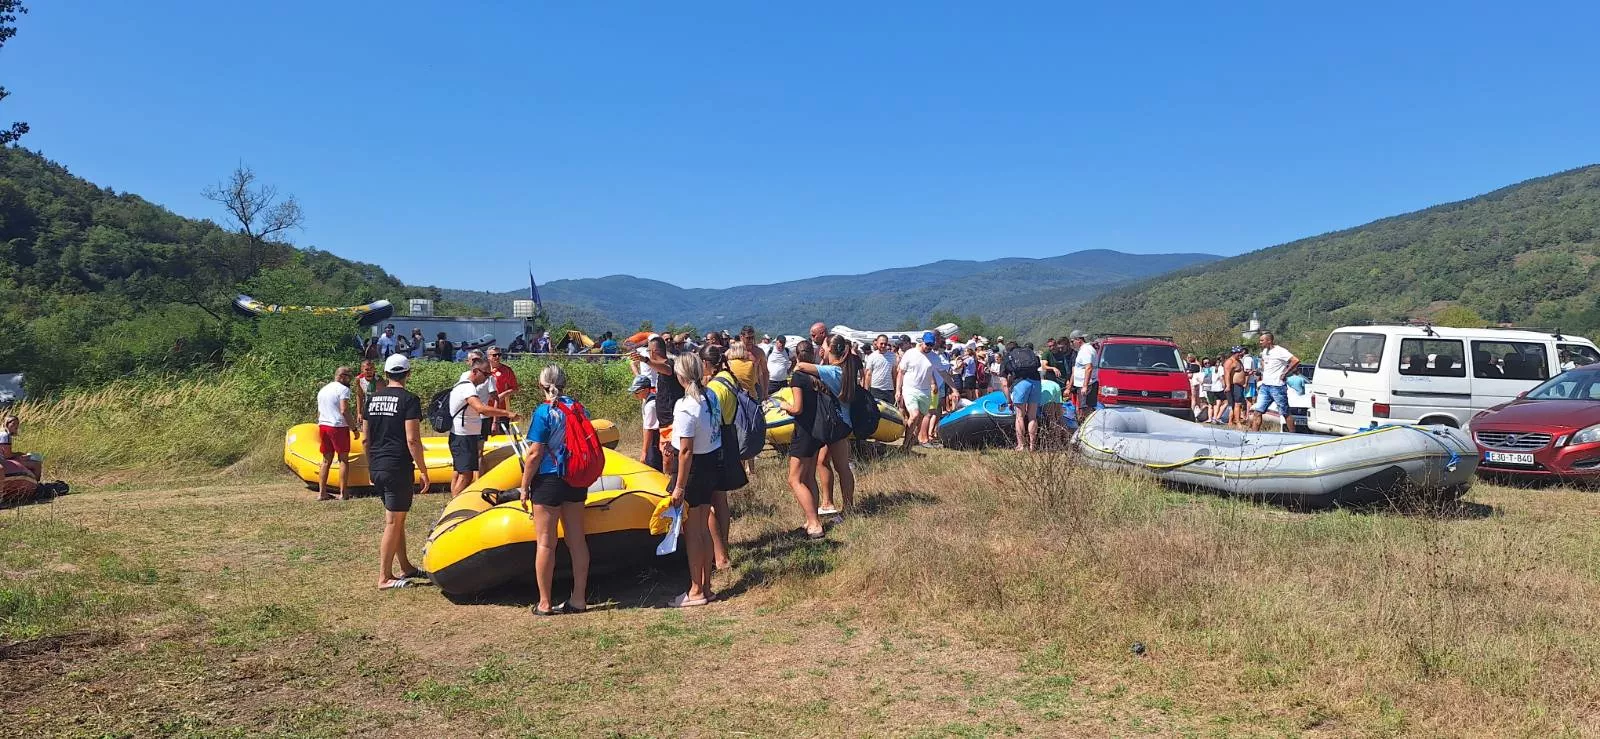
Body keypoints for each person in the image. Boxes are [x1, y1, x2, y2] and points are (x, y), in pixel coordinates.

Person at [517, 365, 591, 616]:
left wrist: (524, 486)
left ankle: (545, 603)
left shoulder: (543, 412)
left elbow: (535, 453)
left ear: (541, 385)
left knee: (546, 543)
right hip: (575, 477)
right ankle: (579, 599)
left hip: (548, 480)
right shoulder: (579, 409)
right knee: (577, 540)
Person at [363, 354, 430, 589]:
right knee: (393, 521)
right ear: (408, 374)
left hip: (378, 465)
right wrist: (423, 470)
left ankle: (405, 567)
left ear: (386, 373)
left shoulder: (371, 399)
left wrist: (370, 465)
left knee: (397, 518)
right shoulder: (409, 400)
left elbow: (365, 438)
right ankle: (384, 577)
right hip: (397, 466)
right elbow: (412, 439)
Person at [668, 353, 722, 607]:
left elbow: (686, 451)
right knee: (703, 529)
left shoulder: (685, 405)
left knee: (692, 533)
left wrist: (679, 486)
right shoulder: (710, 396)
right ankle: (706, 585)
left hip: (693, 470)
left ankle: (696, 589)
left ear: (681, 375)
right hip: (711, 463)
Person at [795, 335, 860, 521]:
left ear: (830, 349)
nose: (820, 349)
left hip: (836, 424)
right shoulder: (842, 369)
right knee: (824, 461)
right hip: (840, 423)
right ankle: (829, 502)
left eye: (823, 346)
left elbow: (801, 366)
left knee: (841, 466)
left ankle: (847, 507)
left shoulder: (832, 371)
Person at [701, 345, 746, 570]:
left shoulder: (714, 388)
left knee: (707, 502)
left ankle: (719, 555)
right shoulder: (729, 378)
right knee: (721, 500)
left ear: (706, 364)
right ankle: (724, 547)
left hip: (715, 442)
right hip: (729, 439)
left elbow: (710, 419)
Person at [447, 359, 517, 495]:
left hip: (465, 436)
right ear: (475, 371)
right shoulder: (467, 387)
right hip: (463, 437)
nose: (487, 378)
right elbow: (481, 408)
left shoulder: (465, 385)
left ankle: (455, 501)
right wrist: (507, 413)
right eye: (485, 374)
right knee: (465, 476)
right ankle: (454, 504)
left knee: (462, 473)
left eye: (489, 375)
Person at [775, 358, 827, 540]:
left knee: (794, 479)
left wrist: (783, 405)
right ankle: (812, 518)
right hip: (817, 430)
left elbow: (797, 408)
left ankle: (814, 523)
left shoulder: (798, 377)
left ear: (797, 357)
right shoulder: (816, 375)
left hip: (804, 431)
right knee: (809, 477)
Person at [315, 366, 360, 501]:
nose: (350, 380)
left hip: (323, 425)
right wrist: (354, 429)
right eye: (349, 377)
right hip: (338, 427)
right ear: (342, 376)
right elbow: (344, 410)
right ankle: (343, 493)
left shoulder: (323, 390)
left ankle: (322, 493)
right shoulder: (343, 389)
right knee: (343, 459)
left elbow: (319, 411)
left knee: (326, 460)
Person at [895, 331, 940, 448]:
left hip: (925, 392)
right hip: (910, 389)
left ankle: (909, 446)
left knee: (919, 421)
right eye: (927, 344)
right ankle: (905, 443)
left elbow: (935, 372)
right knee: (914, 415)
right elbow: (901, 372)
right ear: (922, 342)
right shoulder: (910, 353)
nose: (929, 347)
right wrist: (898, 390)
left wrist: (935, 384)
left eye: (931, 345)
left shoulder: (934, 357)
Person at [1250, 332, 1301, 432]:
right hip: (1265, 386)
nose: (1260, 342)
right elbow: (1264, 362)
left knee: (1285, 412)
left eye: (1262, 340)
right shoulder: (1265, 351)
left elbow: (1295, 360)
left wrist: (1285, 373)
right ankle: (1253, 436)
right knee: (1257, 412)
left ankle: (1293, 435)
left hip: (1277, 387)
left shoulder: (1280, 351)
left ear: (1269, 341)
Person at [999, 341, 1042, 451]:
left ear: (1007, 350)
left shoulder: (1008, 357)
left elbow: (1004, 383)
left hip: (1020, 383)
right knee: (1032, 416)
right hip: (1036, 382)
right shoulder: (1029, 353)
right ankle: (1032, 446)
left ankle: (1021, 445)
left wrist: (1009, 400)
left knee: (1020, 416)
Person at [728, 325, 771, 401]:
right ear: (741, 337)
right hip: (737, 388)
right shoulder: (734, 351)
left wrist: (765, 391)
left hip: (754, 388)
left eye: (752, 337)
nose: (751, 340)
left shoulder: (758, 352)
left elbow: (765, 372)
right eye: (748, 338)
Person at [485, 348, 518, 436]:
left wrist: (503, 394)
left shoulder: (507, 370)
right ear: (488, 357)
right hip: (485, 409)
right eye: (494, 355)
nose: (497, 357)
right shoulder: (483, 370)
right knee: (485, 438)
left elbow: (515, 388)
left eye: (499, 355)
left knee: (501, 436)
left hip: (501, 410)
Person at [0, 414, 42, 482]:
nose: (16, 426)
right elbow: (7, 456)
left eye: (17, 424)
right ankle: (36, 485)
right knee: (36, 464)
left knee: (33, 458)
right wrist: (19, 454)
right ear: (7, 424)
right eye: (13, 424)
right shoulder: (5, 435)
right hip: (4, 462)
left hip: (3, 460)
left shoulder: (2, 434)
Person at [1069, 330, 1097, 426]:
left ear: (1078, 340)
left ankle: (1086, 428)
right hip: (1085, 384)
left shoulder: (1085, 350)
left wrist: (1085, 386)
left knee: (1084, 410)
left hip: (1086, 385)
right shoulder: (1085, 350)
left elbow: (1088, 368)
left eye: (1072, 341)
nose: (1072, 344)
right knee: (1084, 408)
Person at [864, 334, 897, 405]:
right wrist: (866, 390)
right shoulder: (872, 357)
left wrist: (896, 389)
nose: (883, 346)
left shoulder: (892, 356)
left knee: (889, 410)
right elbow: (868, 374)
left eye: (885, 344)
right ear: (877, 343)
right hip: (875, 389)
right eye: (881, 343)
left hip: (889, 389)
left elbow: (894, 373)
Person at [1040, 367, 1065, 434]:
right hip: (1055, 399)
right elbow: (1059, 403)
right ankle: (1064, 437)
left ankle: (1055, 436)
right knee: (1059, 418)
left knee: (1051, 420)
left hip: (1045, 403)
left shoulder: (1037, 384)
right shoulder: (1054, 384)